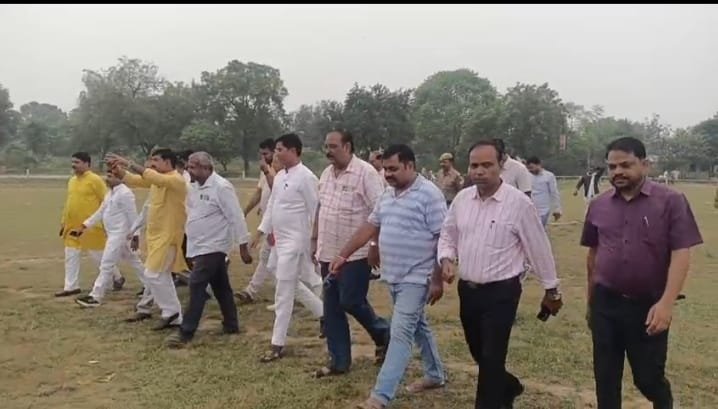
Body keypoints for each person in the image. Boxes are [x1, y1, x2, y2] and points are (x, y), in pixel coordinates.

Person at [438, 140, 563, 409]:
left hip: (502, 293)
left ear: (501, 165)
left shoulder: (518, 204)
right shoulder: (462, 200)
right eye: (474, 165)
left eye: (487, 165)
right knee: (479, 353)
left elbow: (538, 248)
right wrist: (446, 258)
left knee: (492, 357)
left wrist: (551, 289)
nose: (479, 171)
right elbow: (448, 233)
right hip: (468, 290)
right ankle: (509, 386)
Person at [581, 137, 703, 409]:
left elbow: (681, 254)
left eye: (626, 165)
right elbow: (593, 255)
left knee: (648, 378)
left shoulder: (670, 201)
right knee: (605, 376)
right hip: (605, 303)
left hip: (648, 305)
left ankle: (663, 402)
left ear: (645, 165)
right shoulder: (599, 205)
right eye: (612, 167)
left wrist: (666, 304)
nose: (617, 172)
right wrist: (591, 302)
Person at [331, 144, 446, 409]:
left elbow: (443, 237)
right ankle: (435, 374)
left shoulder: (430, 195)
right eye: (385, 169)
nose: (388, 174)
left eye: (393, 169)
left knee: (400, 333)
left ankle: (380, 397)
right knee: (418, 326)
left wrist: (437, 278)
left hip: (417, 276)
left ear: (410, 165)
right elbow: (370, 225)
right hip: (394, 275)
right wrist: (344, 254)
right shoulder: (387, 194)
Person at [313, 129, 390, 378]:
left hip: (356, 254)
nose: (328, 151)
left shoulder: (365, 173)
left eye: (333, 146)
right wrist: (315, 240)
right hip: (328, 252)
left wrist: (375, 245)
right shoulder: (326, 174)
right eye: (326, 146)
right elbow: (321, 208)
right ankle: (339, 361)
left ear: (347, 147)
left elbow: (379, 212)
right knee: (332, 308)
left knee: (351, 301)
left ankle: (383, 333)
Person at [165, 152, 253, 348]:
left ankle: (186, 331)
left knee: (196, 284)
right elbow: (194, 213)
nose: (189, 170)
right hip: (199, 244)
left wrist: (243, 245)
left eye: (193, 167)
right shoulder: (193, 186)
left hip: (215, 245)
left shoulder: (221, 187)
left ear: (207, 168)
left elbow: (236, 217)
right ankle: (231, 324)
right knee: (221, 287)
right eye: (188, 166)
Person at [252, 133, 324, 363]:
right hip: (280, 240)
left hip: (296, 242)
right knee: (288, 279)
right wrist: (261, 232)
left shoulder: (306, 177)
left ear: (293, 151)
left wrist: (315, 241)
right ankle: (324, 313)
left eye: (280, 149)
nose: (276, 154)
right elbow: (273, 207)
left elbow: (316, 210)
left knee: (283, 290)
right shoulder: (281, 175)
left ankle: (277, 343)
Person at [106, 148, 188, 331]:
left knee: (152, 275)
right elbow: (136, 180)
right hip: (156, 237)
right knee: (161, 276)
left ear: (167, 162)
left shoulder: (176, 179)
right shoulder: (158, 180)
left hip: (168, 237)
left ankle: (172, 312)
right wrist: (119, 171)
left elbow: (152, 177)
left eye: (156, 160)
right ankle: (173, 314)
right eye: (151, 160)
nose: (152, 164)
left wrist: (127, 162)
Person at [73, 170, 146, 307]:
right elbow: (101, 211)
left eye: (111, 176)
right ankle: (150, 286)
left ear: (120, 178)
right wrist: (84, 226)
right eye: (107, 176)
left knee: (106, 264)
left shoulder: (125, 193)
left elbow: (133, 215)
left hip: (120, 235)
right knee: (134, 260)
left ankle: (96, 296)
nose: (107, 179)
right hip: (113, 234)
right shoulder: (110, 193)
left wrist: (135, 236)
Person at [56, 152, 124, 297]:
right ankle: (71, 286)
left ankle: (117, 277)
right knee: (71, 255)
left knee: (98, 256)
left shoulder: (95, 180)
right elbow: (69, 202)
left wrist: (108, 222)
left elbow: (107, 201)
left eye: (77, 162)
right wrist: (63, 221)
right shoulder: (72, 181)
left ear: (87, 164)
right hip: (72, 226)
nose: (73, 165)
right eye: (73, 162)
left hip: (91, 226)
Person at [235, 138, 280, 305]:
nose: (263, 158)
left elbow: (277, 190)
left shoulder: (281, 171)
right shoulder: (265, 171)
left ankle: (251, 291)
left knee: (269, 256)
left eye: (265, 154)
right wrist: (245, 211)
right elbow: (259, 193)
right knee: (269, 257)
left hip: (280, 222)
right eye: (260, 154)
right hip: (269, 220)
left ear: (275, 152)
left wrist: (267, 171)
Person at [525, 156, 562, 228]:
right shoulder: (527, 176)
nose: (530, 170)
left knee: (540, 229)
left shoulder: (549, 176)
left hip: (544, 210)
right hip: (530, 209)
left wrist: (557, 208)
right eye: (528, 168)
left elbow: (554, 193)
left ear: (539, 165)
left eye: (532, 167)